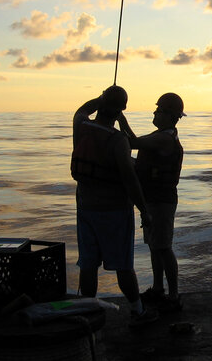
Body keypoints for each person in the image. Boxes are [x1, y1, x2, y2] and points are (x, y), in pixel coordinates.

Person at [71, 85, 157, 326]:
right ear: (122, 110)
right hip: (115, 212)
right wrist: (144, 210)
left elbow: (83, 109)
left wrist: (100, 99)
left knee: (88, 264)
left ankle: (87, 311)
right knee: (123, 266)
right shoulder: (118, 140)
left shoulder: (80, 125)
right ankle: (137, 311)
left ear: (101, 104)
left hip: (86, 209)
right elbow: (130, 179)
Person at [118, 92, 185, 311]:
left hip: (161, 202)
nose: (154, 113)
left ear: (168, 115)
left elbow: (132, 142)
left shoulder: (164, 138)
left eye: (158, 110)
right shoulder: (162, 136)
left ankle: (174, 295)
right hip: (152, 200)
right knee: (155, 247)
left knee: (163, 247)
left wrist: (120, 119)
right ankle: (158, 288)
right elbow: (138, 145)